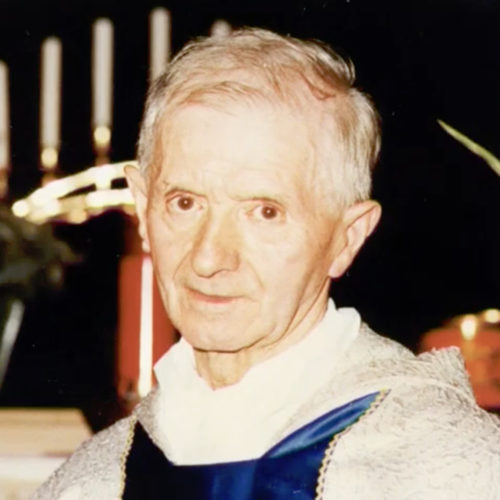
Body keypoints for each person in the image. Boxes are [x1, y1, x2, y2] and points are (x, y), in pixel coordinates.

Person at [35, 27, 500, 499]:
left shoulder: (449, 470)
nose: (209, 258)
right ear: (142, 206)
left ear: (347, 238)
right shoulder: (89, 483)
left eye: (265, 212)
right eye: (185, 203)